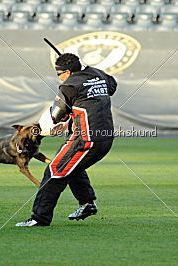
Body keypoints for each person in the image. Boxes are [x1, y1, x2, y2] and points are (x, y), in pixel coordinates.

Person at [16, 53, 117, 227]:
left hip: (85, 140)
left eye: (59, 74)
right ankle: (87, 204)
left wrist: (53, 124)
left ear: (68, 72)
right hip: (105, 139)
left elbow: (55, 116)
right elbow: (112, 86)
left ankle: (39, 218)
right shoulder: (99, 75)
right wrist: (88, 71)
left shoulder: (69, 85)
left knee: (55, 170)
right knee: (72, 167)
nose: (59, 78)